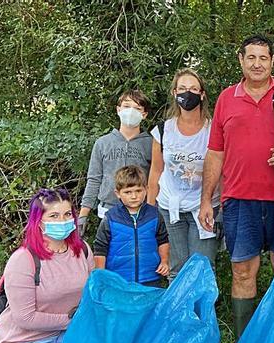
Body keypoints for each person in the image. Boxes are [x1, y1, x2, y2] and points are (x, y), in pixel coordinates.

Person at [200, 34, 274, 336]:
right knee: (242, 271)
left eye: (264, 58)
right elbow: (215, 152)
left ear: (272, 61)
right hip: (239, 198)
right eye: (251, 57)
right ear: (241, 60)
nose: (257, 63)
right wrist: (205, 200)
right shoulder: (226, 99)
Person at [0, 188, 94, 343]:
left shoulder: (82, 250)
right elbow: (25, 318)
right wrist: (72, 320)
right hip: (25, 342)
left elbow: (92, 292)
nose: (63, 220)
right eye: (54, 216)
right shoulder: (23, 260)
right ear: (39, 221)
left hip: (68, 334)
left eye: (68, 214)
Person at [147, 68, 219, 281]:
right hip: (170, 208)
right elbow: (156, 171)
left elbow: (222, 169)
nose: (188, 93)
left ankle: (203, 314)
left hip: (204, 207)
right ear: (174, 93)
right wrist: (150, 211)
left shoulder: (214, 129)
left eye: (194, 89)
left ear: (202, 94)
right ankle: (178, 314)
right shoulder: (162, 131)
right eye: (183, 88)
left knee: (202, 267)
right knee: (176, 267)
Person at [79, 90, 153, 232]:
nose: (131, 111)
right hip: (107, 211)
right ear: (118, 110)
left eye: (137, 108)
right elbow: (94, 179)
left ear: (144, 115)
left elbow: (155, 179)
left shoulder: (151, 144)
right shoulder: (102, 143)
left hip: (141, 213)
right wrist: (83, 214)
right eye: (126, 106)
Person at [93, 166, 170, 287]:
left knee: (149, 306)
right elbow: (100, 248)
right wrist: (101, 275)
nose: (134, 196)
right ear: (118, 193)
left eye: (138, 191)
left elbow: (163, 239)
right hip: (118, 279)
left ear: (146, 190)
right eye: (128, 192)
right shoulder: (111, 218)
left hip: (150, 277)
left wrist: (164, 261)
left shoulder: (154, 215)